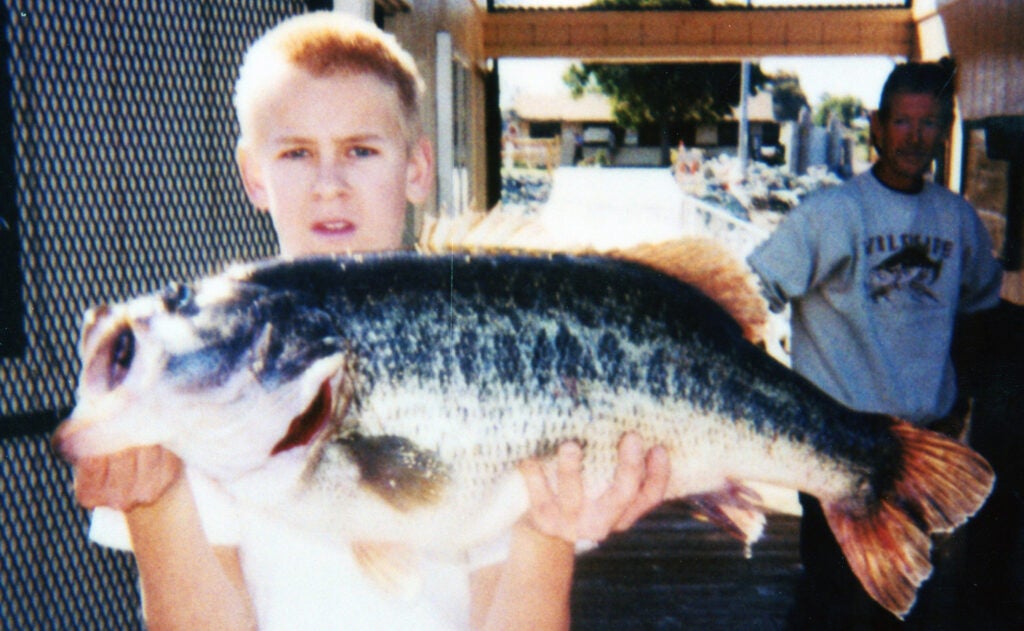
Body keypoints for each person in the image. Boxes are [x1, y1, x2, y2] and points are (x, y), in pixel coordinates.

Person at [72, 12, 671, 631]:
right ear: (254, 173)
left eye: (360, 150)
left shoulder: (479, 349)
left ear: (416, 167)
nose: (329, 183)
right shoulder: (200, 383)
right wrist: (156, 503)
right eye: (297, 152)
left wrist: (548, 533)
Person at [747, 57, 1004, 629]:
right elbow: (752, 289)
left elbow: (981, 314)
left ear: (944, 131)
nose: (915, 138)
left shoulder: (958, 219)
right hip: (835, 440)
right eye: (904, 123)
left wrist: (962, 399)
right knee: (834, 596)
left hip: (922, 448)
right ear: (878, 126)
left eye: (929, 123)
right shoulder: (830, 214)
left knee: (910, 596)